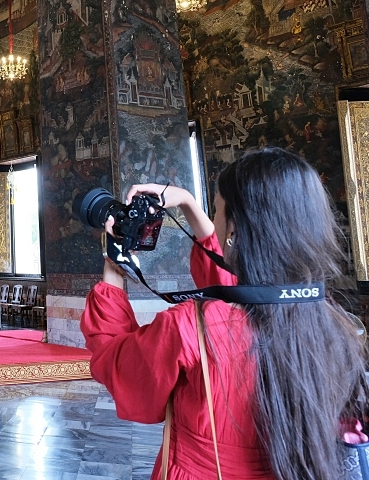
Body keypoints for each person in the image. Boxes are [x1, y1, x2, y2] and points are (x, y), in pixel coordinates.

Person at [81, 148, 368, 480]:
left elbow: (119, 366)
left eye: (217, 212)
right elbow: (232, 286)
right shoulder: (334, 323)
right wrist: (188, 202)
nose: (214, 223)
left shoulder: (192, 327)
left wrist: (115, 267)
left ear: (234, 228)